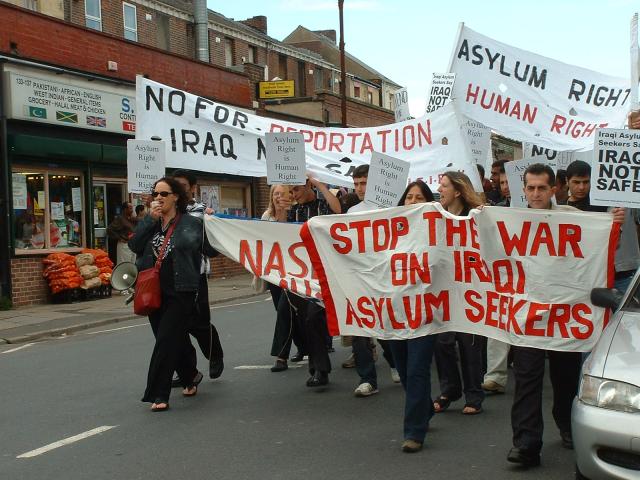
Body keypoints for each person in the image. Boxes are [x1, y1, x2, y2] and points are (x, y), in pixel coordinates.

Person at [506, 163, 624, 467]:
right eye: (530, 188)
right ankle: (526, 444)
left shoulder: (574, 219)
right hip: (527, 315)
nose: (535, 193)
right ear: (524, 189)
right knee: (527, 378)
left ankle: (566, 424)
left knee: (564, 377)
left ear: (554, 189)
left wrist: (614, 227)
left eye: (541, 188)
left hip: (565, 314)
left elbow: (599, 249)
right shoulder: (510, 220)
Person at [128, 177, 217, 412]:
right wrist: (149, 220)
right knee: (166, 339)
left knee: (166, 340)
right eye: (155, 194)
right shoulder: (151, 223)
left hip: (182, 289)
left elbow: (211, 249)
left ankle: (158, 393)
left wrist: (215, 224)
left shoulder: (191, 223)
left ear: (176, 197)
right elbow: (134, 245)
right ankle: (190, 375)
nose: (158, 198)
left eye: (163, 194)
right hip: (153, 290)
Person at [341, 164, 400, 397]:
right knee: (359, 328)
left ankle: (395, 362)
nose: (359, 188)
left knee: (384, 327)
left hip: (385, 276)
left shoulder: (391, 208)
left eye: (363, 183)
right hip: (360, 276)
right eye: (355, 184)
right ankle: (368, 379)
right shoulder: (352, 211)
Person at [388, 180, 436, 453]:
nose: (413, 201)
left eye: (419, 197)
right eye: (409, 197)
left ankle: (414, 431)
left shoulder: (438, 230)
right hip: (396, 311)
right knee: (404, 367)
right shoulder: (390, 231)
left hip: (426, 312)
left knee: (417, 369)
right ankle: (425, 407)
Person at [432, 172, 485, 417]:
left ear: (457, 191)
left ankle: (474, 394)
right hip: (443, 288)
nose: (439, 190)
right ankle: (450, 389)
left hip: (470, 289)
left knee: (469, 343)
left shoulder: (477, 217)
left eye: (443, 186)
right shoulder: (435, 216)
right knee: (442, 342)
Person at [284, 175, 341, 387]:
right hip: (303, 275)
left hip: (328, 271)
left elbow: (338, 211)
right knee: (308, 321)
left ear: (308, 186)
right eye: (291, 191)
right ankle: (319, 369)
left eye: (296, 189)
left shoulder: (322, 205)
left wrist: (319, 184)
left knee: (319, 318)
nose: (294, 195)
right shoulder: (293, 212)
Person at [172, 169, 224, 380]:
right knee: (175, 325)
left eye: (183, 186)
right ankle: (187, 370)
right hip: (171, 275)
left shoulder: (203, 211)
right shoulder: (167, 210)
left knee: (199, 322)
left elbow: (213, 244)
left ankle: (215, 354)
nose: (178, 190)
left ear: (193, 188)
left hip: (195, 274)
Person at [565, 160, 640, 293]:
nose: (582, 187)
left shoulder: (605, 204)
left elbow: (615, 243)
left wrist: (615, 224)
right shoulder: (560, 208)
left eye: (586, 182)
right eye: (576, 182)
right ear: (567, 181)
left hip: (620, 274)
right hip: (583, 276)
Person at [265, 184, 307, 372]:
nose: (278, 196)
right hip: (274, 271)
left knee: (284, 310)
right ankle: (304, 345)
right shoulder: (267, 217)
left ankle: (281, 356)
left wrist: (284, 212)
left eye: (283, 193)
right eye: (276, 193)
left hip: (295, 270)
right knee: (287, 311)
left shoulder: (296, 214)